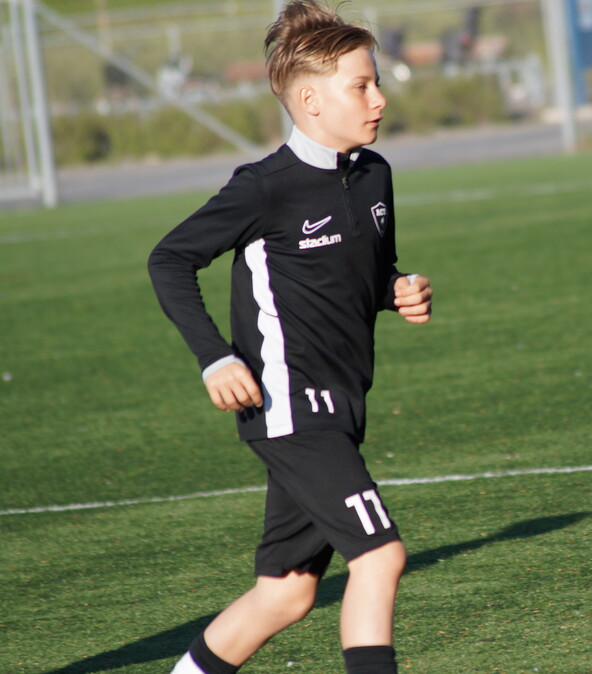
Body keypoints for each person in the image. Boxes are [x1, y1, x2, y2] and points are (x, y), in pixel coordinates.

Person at [147, 2, 431, 672]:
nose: (379, 98)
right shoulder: (264, 189)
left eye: (376, 82)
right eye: (361, 86)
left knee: (286, 594)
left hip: (342, 402)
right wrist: (214, 358)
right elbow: (170, 259)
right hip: (290, 406)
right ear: (310, 100)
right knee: (380, 556)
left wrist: (397, 289)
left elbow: (365, 272)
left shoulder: (375, 175)